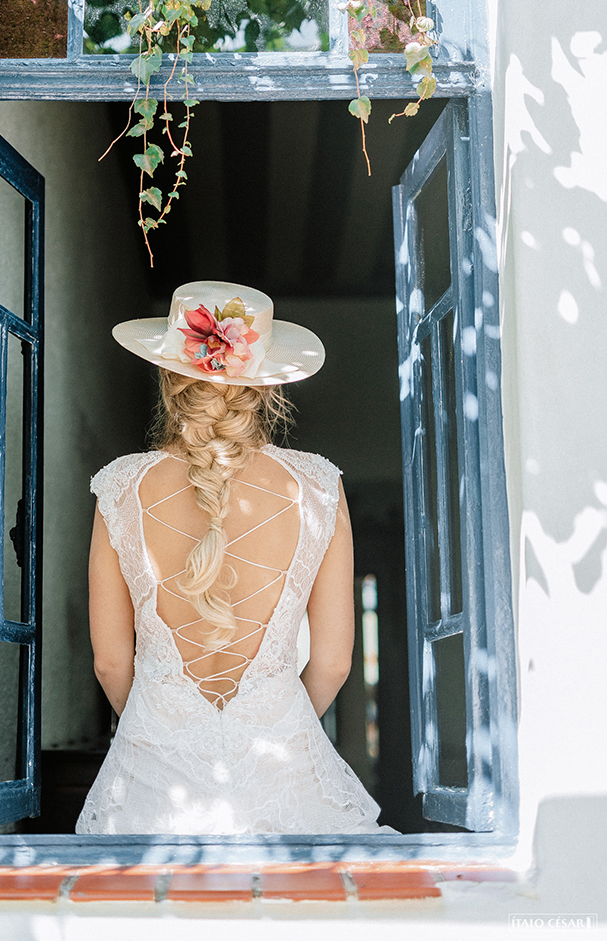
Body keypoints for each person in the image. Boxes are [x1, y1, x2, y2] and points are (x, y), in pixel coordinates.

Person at [76, 280, 395, 835]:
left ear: (169, 379)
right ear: (266, 388)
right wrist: (272, 723)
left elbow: (109, 663)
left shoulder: (121, 488)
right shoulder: (319, 486)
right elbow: (335, 663)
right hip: (285, 774)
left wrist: (163, 728)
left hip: (153, 781)